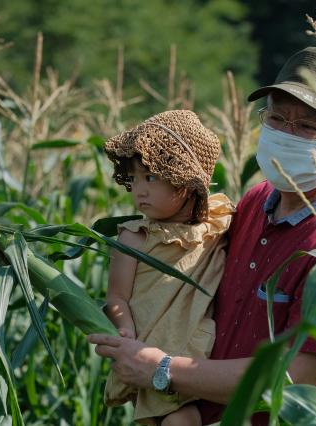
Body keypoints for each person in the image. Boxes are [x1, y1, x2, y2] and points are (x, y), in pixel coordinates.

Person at [88, 46, 316, 425]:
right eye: (277, 118)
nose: (286, 134)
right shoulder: (254, 201)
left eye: (307, 126)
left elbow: (297, 376)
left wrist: (163, 369)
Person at [102, 110, 235, 425]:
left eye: (150, 177)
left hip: (198, 358)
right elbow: (117, 297)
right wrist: (127, 335)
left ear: (185, 180)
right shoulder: (135, 238)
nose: (139, 191)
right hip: (149, 351)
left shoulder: (217, 224)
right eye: (133, 179)